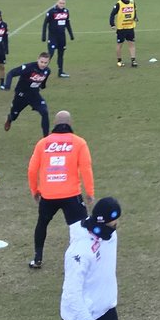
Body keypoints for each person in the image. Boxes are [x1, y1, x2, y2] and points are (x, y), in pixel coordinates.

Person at [28, 110, 96, 270]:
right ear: (70, 123)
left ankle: (37, 258)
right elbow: (86, 168)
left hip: (48, 195)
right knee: (81, 227)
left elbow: (32, 169)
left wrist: (35, 190)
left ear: (55, 124)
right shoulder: (79, 143)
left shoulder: (42, 143)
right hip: (71, 195)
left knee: (42, 224)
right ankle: (83, 258)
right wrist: (90, 192)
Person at [3, 51, 52, 136]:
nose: (43, 64)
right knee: (14, 115)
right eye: (41, 62)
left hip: (34, 96)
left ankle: (46, 137)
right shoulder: (29, 67)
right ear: (38, 60)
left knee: (44, 112)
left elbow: (43, 81)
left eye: (45, 63)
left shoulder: (47, 71)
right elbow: (11, 73)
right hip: (21, 95)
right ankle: (10, 118)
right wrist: (7, 85)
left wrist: (43, 86)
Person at [42, 0, 75, 78]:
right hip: (53, 37)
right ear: (57, 2)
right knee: (50, 54)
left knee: (61, 54)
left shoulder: (66, 11)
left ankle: (60, 72)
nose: (62, 5)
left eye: (63, 3)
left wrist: (71, 34)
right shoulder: (52, 12)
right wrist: (43, 36)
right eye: (60, 3)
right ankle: (42, 71)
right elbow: (45, 23)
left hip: (62, 38)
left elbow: (67, 24)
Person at [109, 0, 138, 68]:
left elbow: (134, 11)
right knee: (119, 44)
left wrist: (135, 17)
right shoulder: (118, 4)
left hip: (130, 27)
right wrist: (112, 24)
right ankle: (119, 61)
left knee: (131, 43)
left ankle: (133, 60)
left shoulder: (132, 2)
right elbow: (112, 14)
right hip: (121, 29)